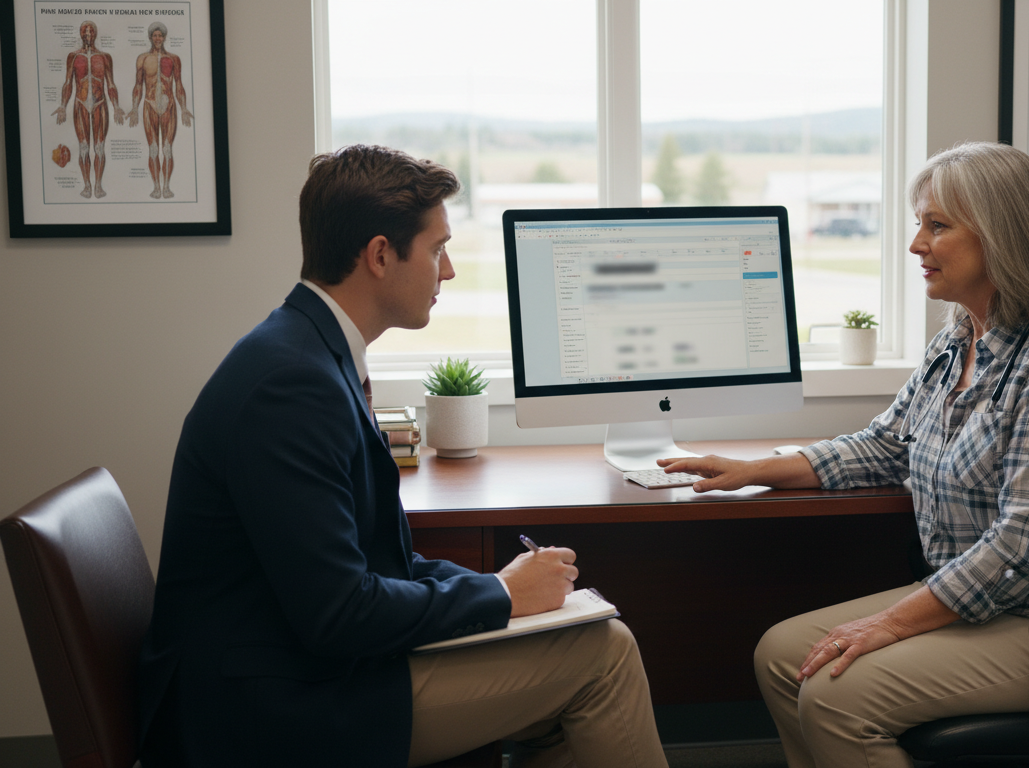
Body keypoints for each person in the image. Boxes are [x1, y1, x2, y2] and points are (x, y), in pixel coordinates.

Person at [138, 145, 669, 768]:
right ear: (380, 255)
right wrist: (502, 596)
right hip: (271, 707)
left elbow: (375, 562)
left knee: (577, 651)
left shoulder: (308, 352)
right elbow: (340, 614)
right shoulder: (292, 386)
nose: (450, 271)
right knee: (604, 653)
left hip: (294, 668)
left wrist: (499, 587)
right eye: (438, 249)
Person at [659, 142, 1029, 768]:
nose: (916, 244)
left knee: (838, 695)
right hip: (994, 605)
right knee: (782, 656)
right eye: (920, 223)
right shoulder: (960, 337)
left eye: (937, 226)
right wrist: (757, 470)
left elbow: (1018, 545)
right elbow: (887, 445)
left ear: (1002, 236)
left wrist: (889, 625)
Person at [52, 20, 125, 199]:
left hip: (100, 104)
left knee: (99, 148)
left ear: (95, 34)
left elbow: (111, 83)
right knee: (84, 148)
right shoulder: (73, 56)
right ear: (81, 34)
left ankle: (98, 185)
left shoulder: (105, 57)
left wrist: (116, 106)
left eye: (91, 31)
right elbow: (68, 83)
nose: (88, 34)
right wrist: (62, 106)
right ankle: (86, 185)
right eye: (85, 31)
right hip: (81, 104)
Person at [129, 22, 193, 199]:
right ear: (150, 37)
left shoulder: (173, 59)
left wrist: (184, 108)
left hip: (168, 106)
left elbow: (179, 84)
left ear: (164, 38)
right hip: (149, 105)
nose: (157, 38)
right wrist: (134, 108)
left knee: (167, 149)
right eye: (154, 35)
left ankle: (167, 187)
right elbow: (138, 85)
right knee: (153, 149)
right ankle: (156, 186)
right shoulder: (142, 58)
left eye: (160, 35)